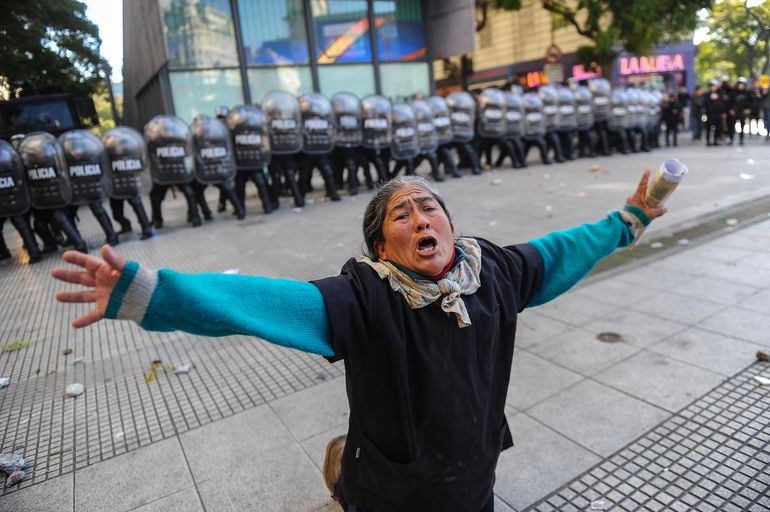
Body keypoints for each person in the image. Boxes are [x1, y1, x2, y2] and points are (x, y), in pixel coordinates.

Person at [52, 174, 666, 512]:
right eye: (403, 215)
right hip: (392, 493)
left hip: (474, 468)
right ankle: (342, 471)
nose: (422, 218)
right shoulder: (364, 298)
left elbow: (563, 249)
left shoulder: (497, 271)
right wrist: (152, 295)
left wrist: (630, 218)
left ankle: (342, 460)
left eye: (429, 207)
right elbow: (263, 302)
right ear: (380, 248)